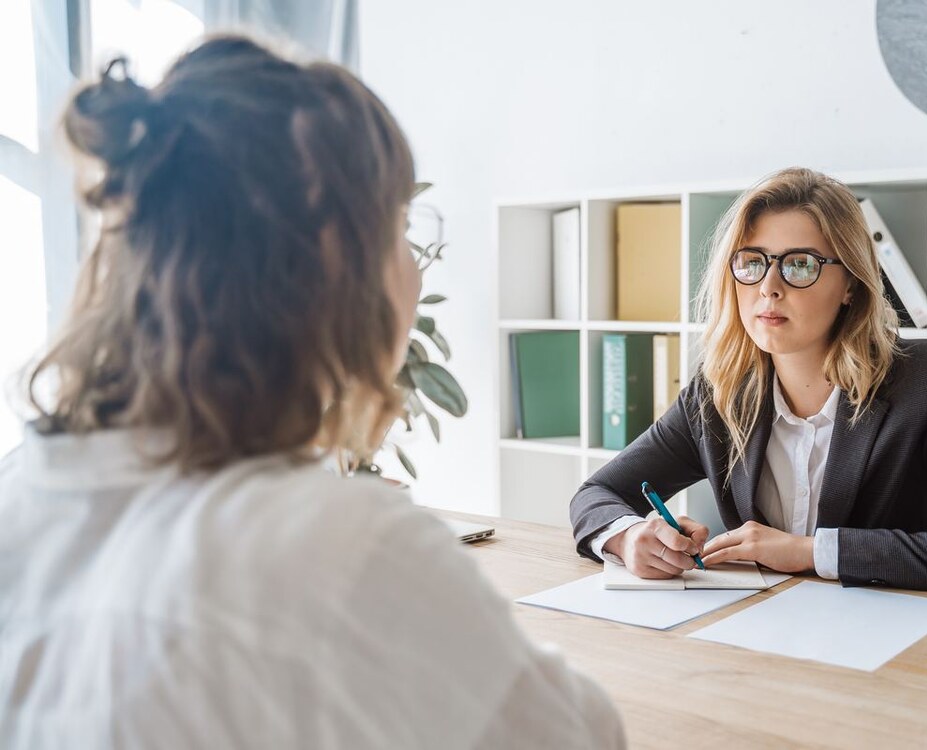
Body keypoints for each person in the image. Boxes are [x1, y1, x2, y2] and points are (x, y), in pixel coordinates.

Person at [0, 35, 623, 750]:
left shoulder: (20, 490)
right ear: (335, 258)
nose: (413, 272)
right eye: (398, 229)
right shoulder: (336, 546)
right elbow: (584, 736)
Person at [570, 167, 927, 595]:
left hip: (888, 644)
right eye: (752, 262)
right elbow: (597, 494)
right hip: (766, 634)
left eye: (800, 265)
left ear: (851, 284)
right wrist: (629, 537)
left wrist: (807, 552)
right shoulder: (716, 394)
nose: (768, 287)